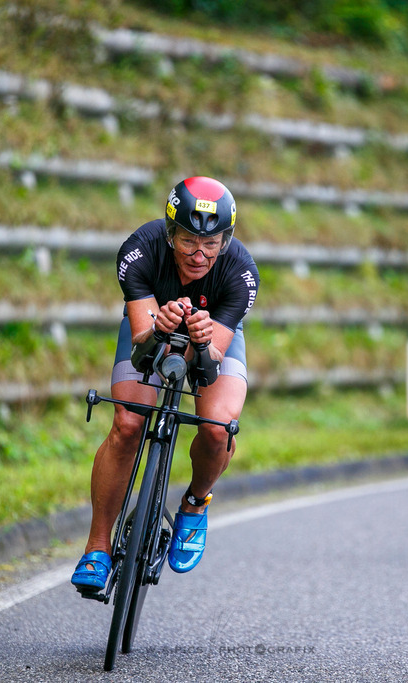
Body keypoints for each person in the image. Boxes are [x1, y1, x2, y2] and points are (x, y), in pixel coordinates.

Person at [71, 176, 260, 592]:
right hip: (151, 326)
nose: (199, 253)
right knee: (127, 425)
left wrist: (203, 338)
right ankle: (97, 548)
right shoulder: (140, 250)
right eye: (189, 239)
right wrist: (162, 326)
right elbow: (141, 348)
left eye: (212, 243)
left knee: (216, 428)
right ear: (170, 232)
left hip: (213, 337)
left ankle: (195, 503)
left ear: (226, 241)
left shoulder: (241, 273)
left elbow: (209, 368)